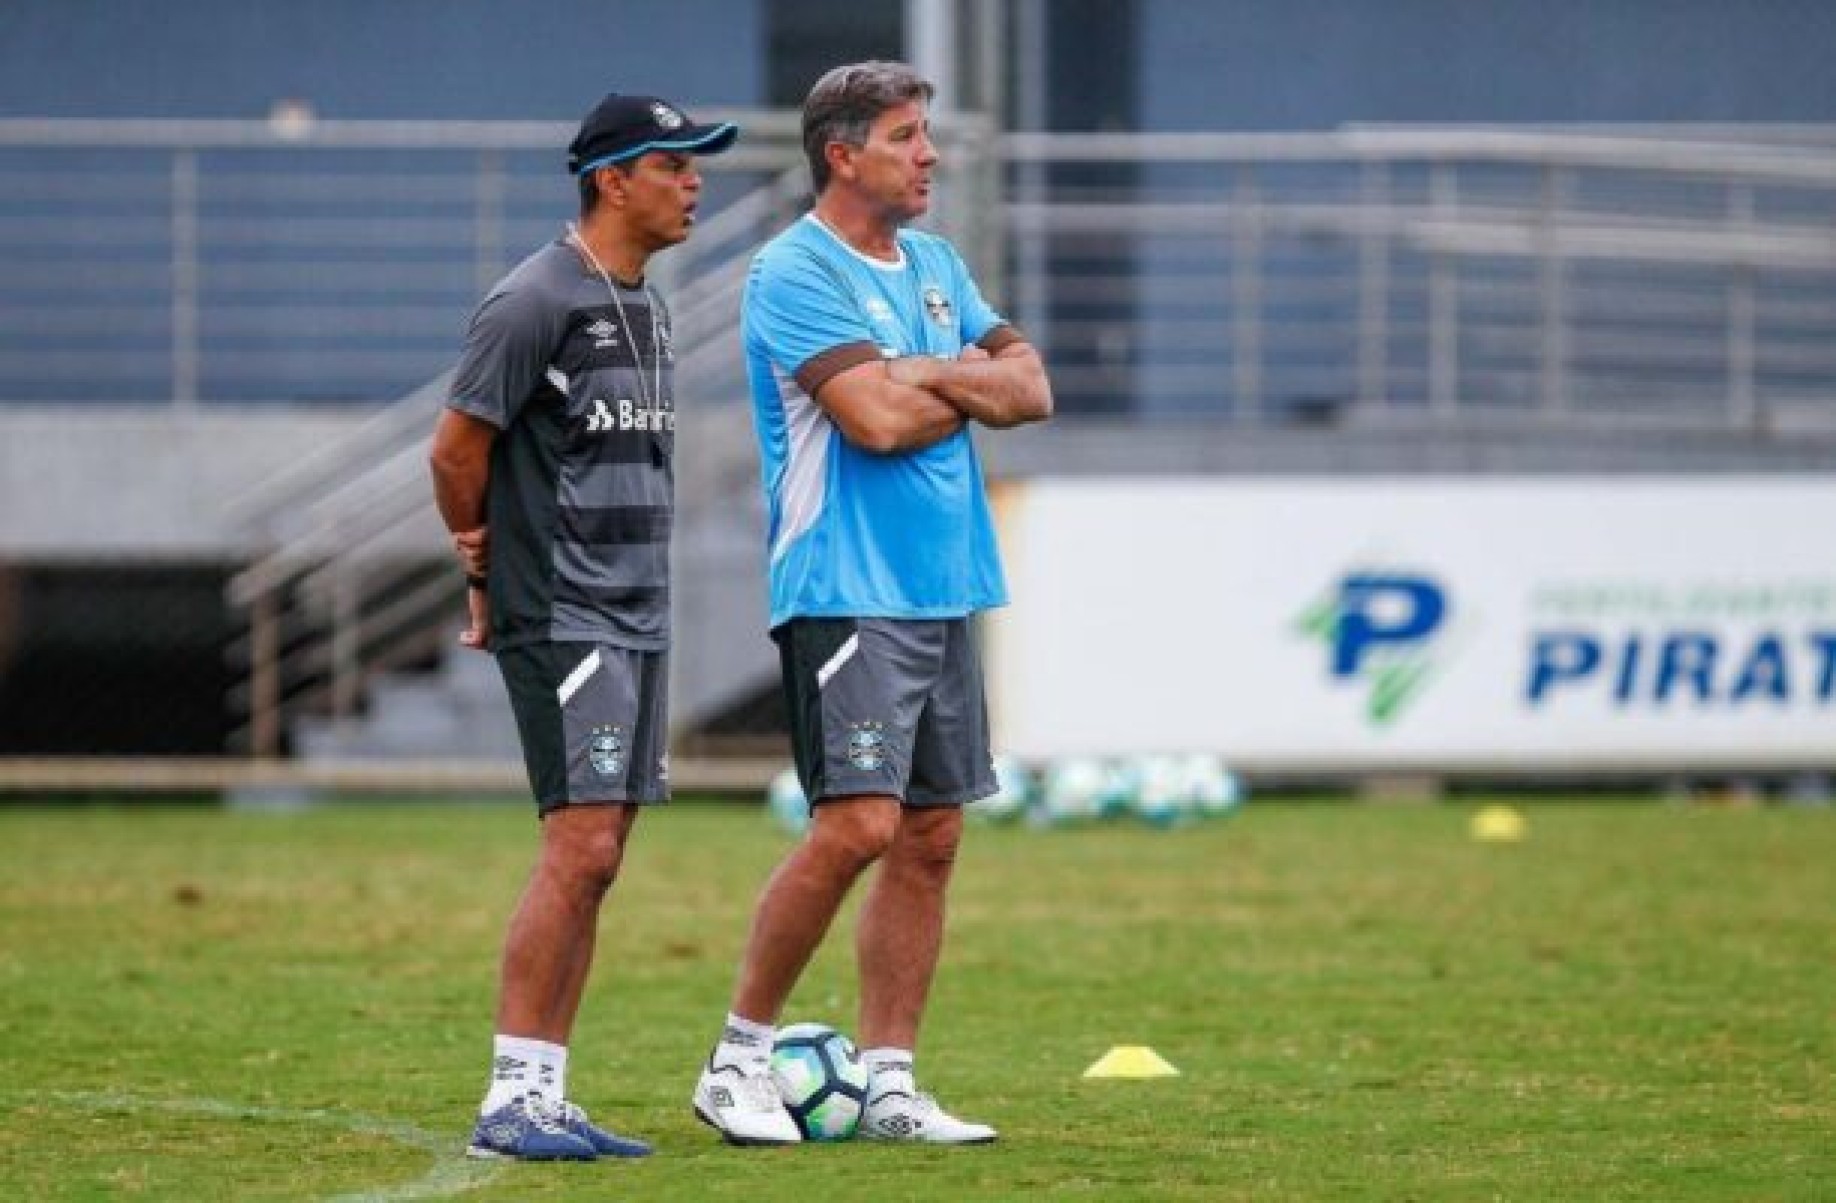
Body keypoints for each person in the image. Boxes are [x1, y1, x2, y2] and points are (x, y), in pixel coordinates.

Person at [692, 60, 1053, 1146]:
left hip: (947, 585)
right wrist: (952, 381)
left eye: (925, 135)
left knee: (932, 837)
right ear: (843, 156)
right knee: (856, 823)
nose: (930, 155)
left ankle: (889, 1083)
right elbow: (873, 425)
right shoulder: (792, 273)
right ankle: (739, 1058)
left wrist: (921, 369)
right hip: (846, 588)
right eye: (906, 137)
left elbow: (1029, 389)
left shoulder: (938, 262)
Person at [429, 90, 737, 1162]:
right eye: (676, 164)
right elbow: (455, 449)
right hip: (565, 610)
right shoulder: (536, 298)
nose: (696, 180)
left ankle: (546, 1094)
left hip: (636, 612)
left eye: (698, 163)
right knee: (581, 843)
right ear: (613, 180)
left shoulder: (643, 301)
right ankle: (510, 1095)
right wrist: (480, 558)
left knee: (602, 855)